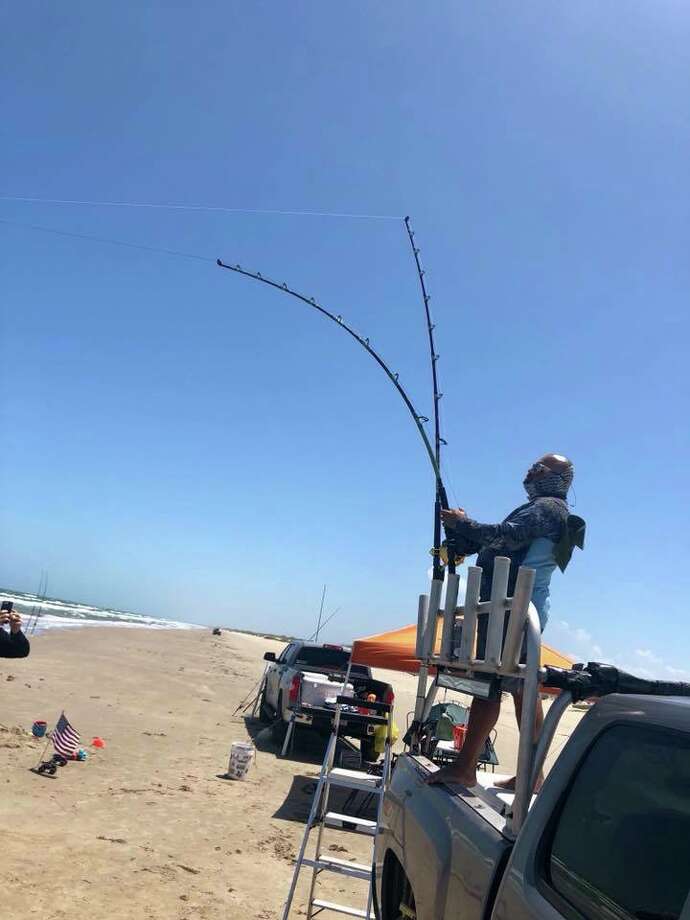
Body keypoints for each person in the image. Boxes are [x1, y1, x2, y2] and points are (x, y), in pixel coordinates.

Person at [427, 453, 584, 790]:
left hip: (511, 610)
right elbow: (501, 541)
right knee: (523, 692)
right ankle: (533, 776)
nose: (530, 471)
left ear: (558, 477)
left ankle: (465, 767)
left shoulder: (548, 508)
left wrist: (462, 524)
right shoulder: (548, 510)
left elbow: (507, 535)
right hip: (518, 610)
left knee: (490, 686)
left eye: (538, 468)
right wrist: (462, 533)